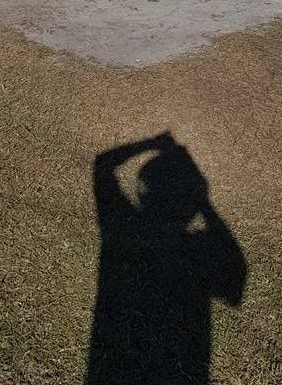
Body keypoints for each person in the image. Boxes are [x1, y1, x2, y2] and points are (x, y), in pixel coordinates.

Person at [86, 132, 247, 385]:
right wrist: (206, 206)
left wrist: (150, 144)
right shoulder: (196, 250)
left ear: (144, 192)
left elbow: (103, 165)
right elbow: (233, 283)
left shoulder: (119, 227)